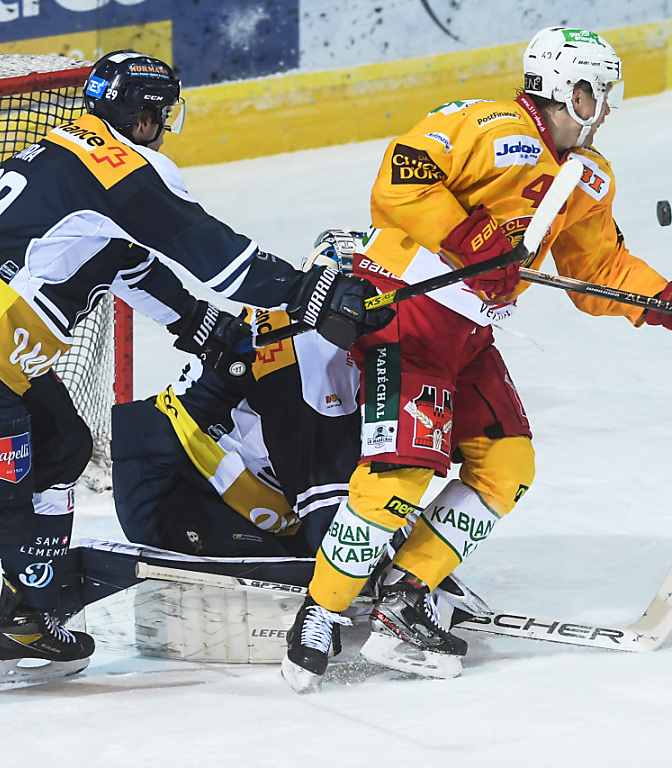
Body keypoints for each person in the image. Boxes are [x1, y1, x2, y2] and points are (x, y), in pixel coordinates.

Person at [281, 26, 672, 690]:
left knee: (508, 463)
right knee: (402, 473)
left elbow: (598, 268)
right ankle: (319, 613)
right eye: (599, 94)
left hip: (470, 336)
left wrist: (671, 304)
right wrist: (467, 235)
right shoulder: (488, 125)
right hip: (403, 315)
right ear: (568, 89)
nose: (608, 109)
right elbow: (400, 178)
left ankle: (404, 598)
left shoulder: (588, 175)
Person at [0, 52, 392, 683]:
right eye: (161, 112)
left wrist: (200, 326)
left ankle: (29, 610)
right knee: (11, 482)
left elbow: (124, 265)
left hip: (10, 363)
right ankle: (26, 598)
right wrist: (306, 290)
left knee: (62, 443)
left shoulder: (57, 155)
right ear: (145, 115)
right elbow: (218, 257)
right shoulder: (119, 168)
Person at [110, 232, 363, 560]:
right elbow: (330, 507)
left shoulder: (309, 324)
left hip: (234, 494)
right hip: (181, 484)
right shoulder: (317, 351)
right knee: (336, 575)